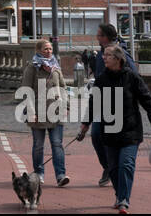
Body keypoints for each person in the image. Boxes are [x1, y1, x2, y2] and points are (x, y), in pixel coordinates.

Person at [87, 43, 151, 213]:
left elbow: (147, 100)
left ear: (118, 59)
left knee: (126, 164)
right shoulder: (102, 79)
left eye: (108, 55)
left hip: (130, 129)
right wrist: (85, 124)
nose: (103, 58)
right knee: (113, 168)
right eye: (104, 55)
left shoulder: (132, 77)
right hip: (109, 130)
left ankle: (123, 200)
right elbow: (93, 103)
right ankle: (120, 195)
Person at [75, 23, 130, 187]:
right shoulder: (100, 55)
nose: (97, 38)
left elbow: (133, 78)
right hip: (101, 102)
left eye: (99, 35)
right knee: (97, 135)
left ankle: (119, 170)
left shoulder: (123, 54)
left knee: (117, 140)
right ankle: (108, 167)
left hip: (119, 106)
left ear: (106, 37)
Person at [21, 39, 70, 187]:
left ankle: (60, 175)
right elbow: (26, 91)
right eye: (45, 49)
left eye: (50, 49)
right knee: (38, 145)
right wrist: (31, 111)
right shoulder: (32, 67)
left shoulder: (55, 67)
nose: (49, 51)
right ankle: (39, 173)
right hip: (38, 111)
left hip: (56, 110)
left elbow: (63, 87)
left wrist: (66, 105)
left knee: (57, 144)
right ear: (38, 51)